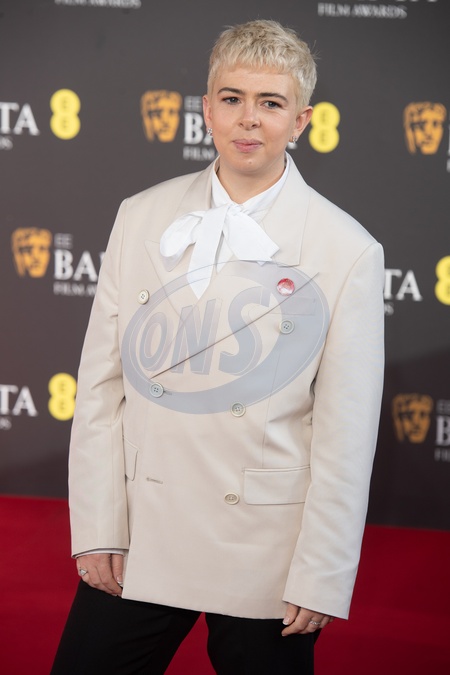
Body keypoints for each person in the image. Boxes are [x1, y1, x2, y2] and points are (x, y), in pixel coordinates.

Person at [51, 19, 384, 675]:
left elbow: (346, 432)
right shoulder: (140, 216)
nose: (248, 119)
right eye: (232, 98)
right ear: (206, 109)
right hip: (144, 533)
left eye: (271, 103)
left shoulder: (347, 249)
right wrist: (97, 526)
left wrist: (321, 572)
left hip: (264, 550)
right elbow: (101, 389)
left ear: (301, 120)